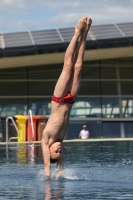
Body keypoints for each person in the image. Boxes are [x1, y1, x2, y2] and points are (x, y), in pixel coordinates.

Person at [41, 16, 92, 179]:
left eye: (56, 151)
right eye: (59, 152)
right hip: (70, 101)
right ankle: (85, 34)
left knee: (68, 67)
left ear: (49, 151)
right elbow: (60, 166)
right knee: (78, 67)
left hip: (59, 99)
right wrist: (60, 173)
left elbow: (47, 165)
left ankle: (77, 32)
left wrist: (48, 186)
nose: (59, 150)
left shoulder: (46, 139)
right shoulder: (60, 141)